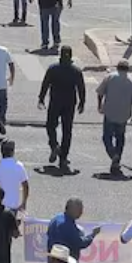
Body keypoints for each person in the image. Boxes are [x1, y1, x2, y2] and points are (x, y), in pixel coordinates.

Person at [38, 45, 85, 173]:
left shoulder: (53, 69)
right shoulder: (76, 71)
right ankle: (63, 157)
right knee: (67, 130)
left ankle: (54, 145)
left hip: (55, 102)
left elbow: (45, 84)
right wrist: (82, 102)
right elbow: (81, 88)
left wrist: (41, 98)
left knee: (50, 125)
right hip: (70, 103)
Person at [95, 60, 132, 176]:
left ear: (118, 68)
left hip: (110, 112)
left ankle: (113, 154)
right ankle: (117, 159)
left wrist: (99, 105)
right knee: (120, 138)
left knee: (107, 137)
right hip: (124, 114)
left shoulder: (110, 77)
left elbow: (100, 92)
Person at [46, 198, 99, 263]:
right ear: (71, 208)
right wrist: (93, 234)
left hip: (53, 262)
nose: (81, 212)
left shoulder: (56, 219)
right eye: (79, 209)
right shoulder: (67, 224)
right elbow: (80, 243)